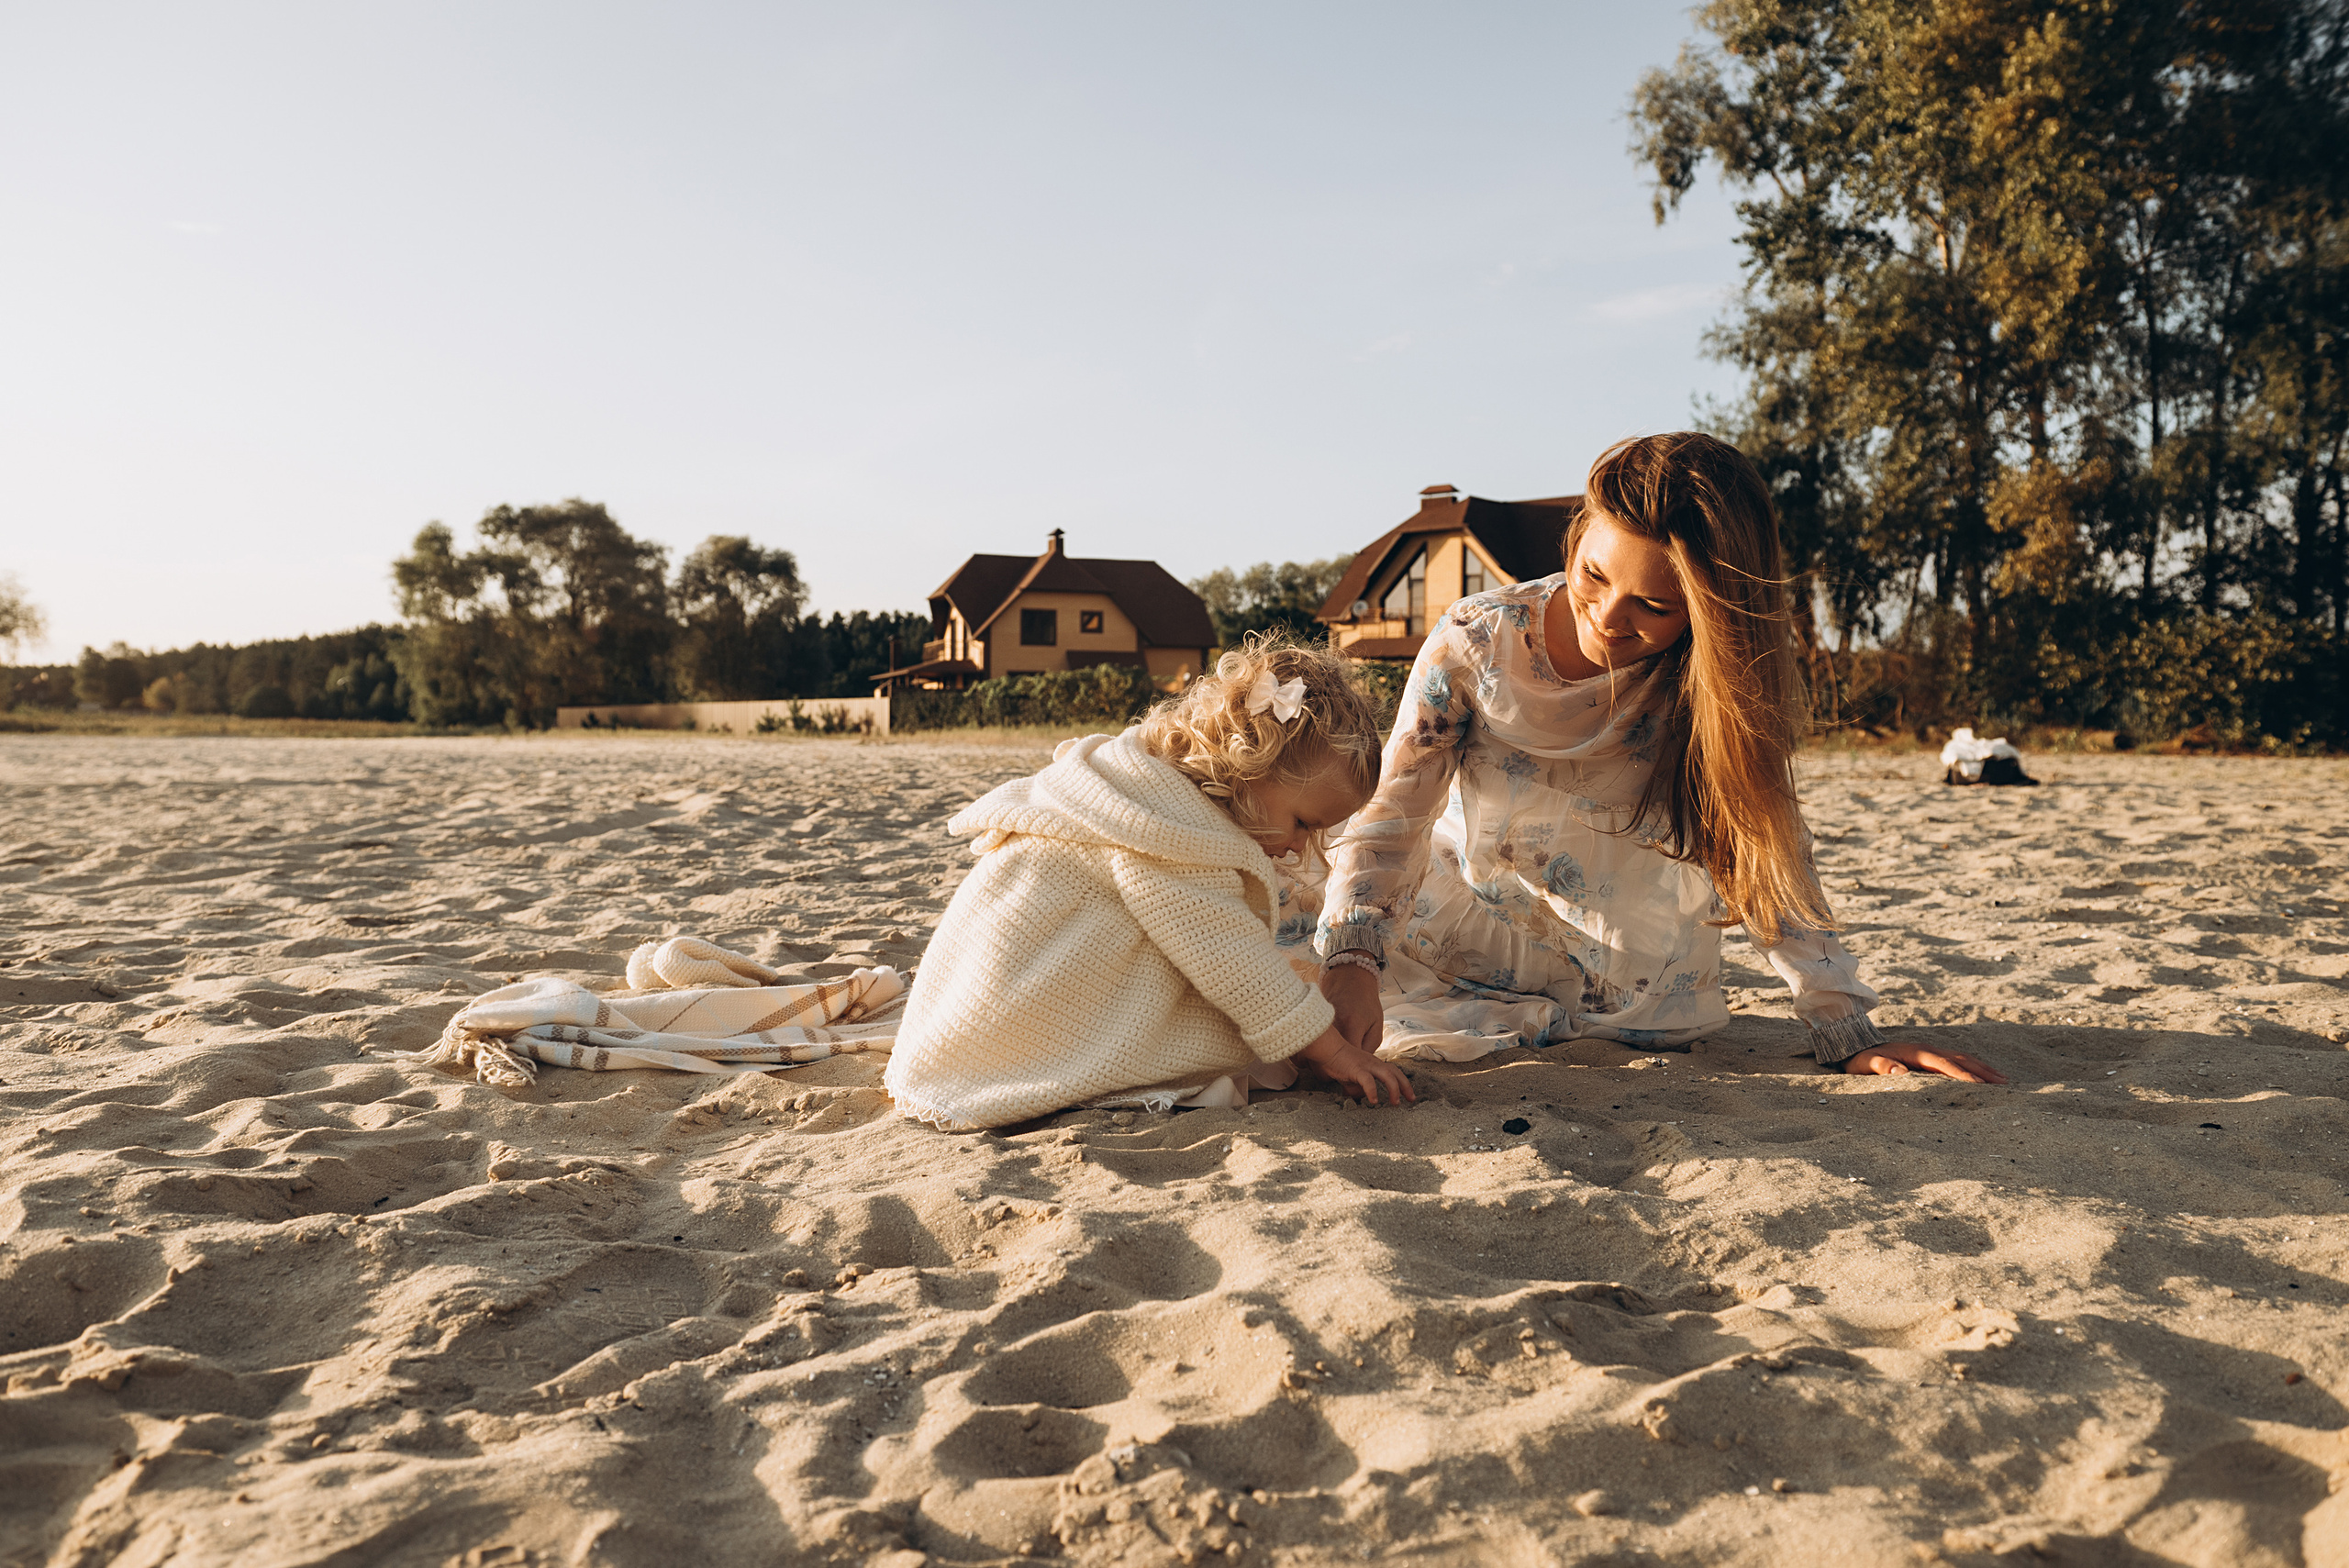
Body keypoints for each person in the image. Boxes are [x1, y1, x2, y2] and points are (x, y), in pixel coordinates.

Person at [1315, 432, 2005, 1084]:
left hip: (1625, 977)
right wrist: (1352, 958)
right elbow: (1395, 810)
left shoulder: (1708, 687)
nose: (1609, 617)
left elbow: (1764, 850)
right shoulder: (1476, 639)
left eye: (1652, 604)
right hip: (1461, 924)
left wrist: (1846, 1029)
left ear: (1709, 615)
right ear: (1579, 534)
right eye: (1593, 574)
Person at [885, 637, 1419, 1130]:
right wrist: (1332, 1052)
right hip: (1016, 1024)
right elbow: (1233, 963)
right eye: (1303, 823)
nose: (1303, 847)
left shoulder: (1137, 785)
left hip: (973, 1011)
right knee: (1226, 1069)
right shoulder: (1175, 831)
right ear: (1251, 764)